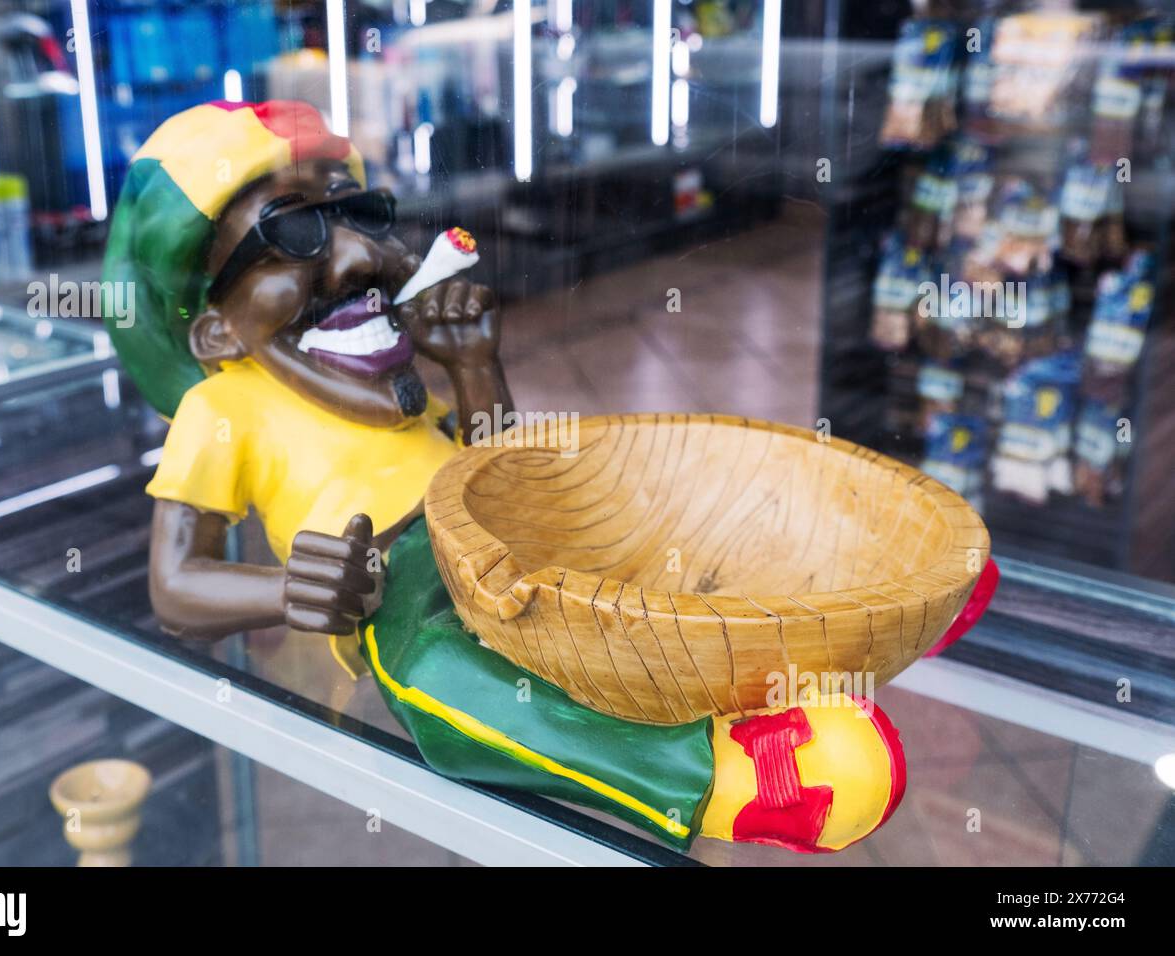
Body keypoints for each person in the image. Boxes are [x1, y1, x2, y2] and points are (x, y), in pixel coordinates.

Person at [104, 100, 905, 852]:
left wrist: (477, 366)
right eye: (297, 234)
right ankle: (716, 778)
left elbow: (491, 457)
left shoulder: (394, 380)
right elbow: (175, 590)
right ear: (213, 329)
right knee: (440, 675)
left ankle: (875, 593)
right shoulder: (226, 409)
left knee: (629, 542)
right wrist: (288, 593)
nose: (366, 256)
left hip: (499, 527)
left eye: (360, 214)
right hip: (400, 580)